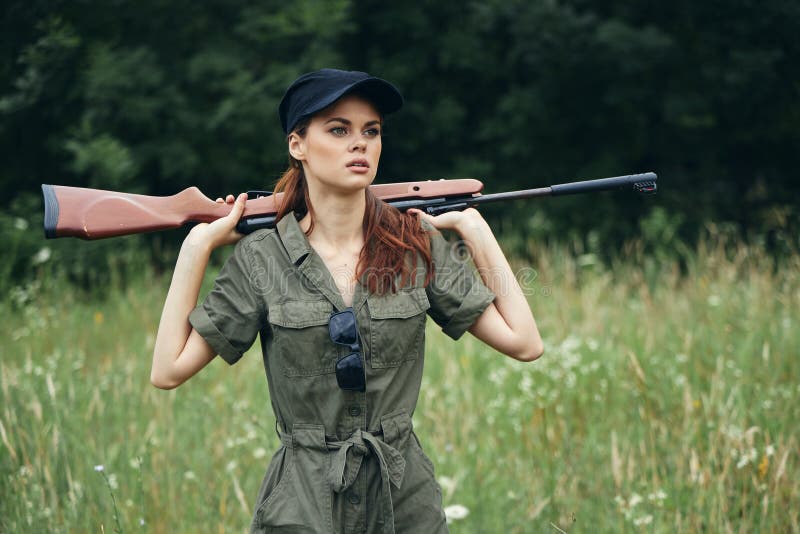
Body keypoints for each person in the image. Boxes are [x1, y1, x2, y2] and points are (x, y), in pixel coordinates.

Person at [150, 68, 543, 533]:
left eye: (371, 131)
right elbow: (167, 370)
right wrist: (196, 247)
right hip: (302, 504)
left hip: (403, 500)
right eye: (339, 129)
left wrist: (477, 232)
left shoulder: (413, 244)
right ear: (297, 144)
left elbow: (525, 343)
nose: (360, 143)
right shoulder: (262, 258)